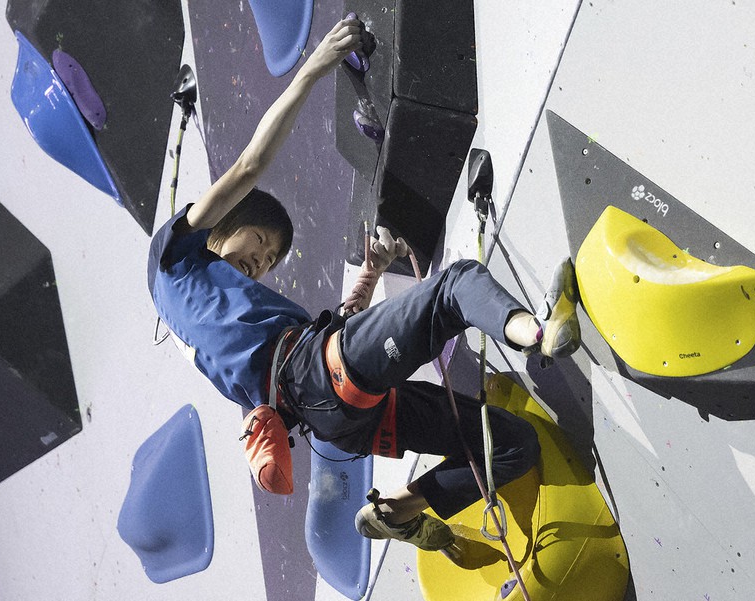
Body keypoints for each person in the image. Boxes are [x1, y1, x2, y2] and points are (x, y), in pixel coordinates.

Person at [147, 16, 582, 560]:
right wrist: (315, 66)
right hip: (322, 381)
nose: (258, 264)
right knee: (456, 288)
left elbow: (336, 344)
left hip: (339, 421)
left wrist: (372, 273)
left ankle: (397, 508)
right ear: (222, 225)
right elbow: (249, 164)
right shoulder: (171, 258)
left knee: (514, 445)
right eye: (257, 245)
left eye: (267, 260)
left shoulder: (213, 332)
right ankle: (539, 332)